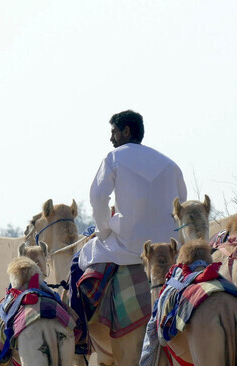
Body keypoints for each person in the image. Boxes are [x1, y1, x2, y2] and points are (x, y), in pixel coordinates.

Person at [70, 110, 187, 353]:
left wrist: (103, 230)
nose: (111, 138)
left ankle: (79, 337)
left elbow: (98, 197)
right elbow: (181, 203)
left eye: (114, 132)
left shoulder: (114, 158)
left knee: (75, 264)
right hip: (169, 246)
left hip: (127, 246)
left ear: (126, 131)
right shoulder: (170, 164)